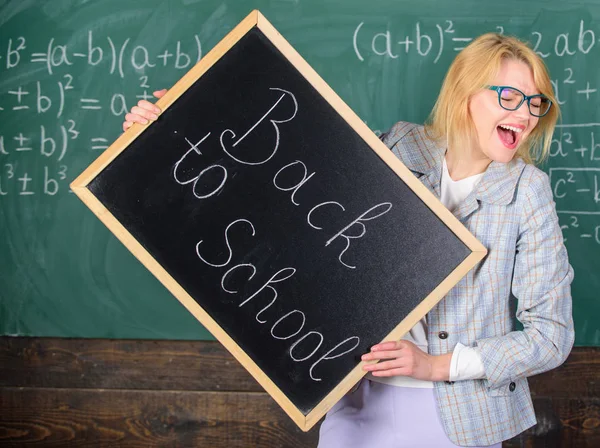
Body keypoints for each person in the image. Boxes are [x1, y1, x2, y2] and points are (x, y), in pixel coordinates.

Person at [122, 33, 574, 448]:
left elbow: (551, 336)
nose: (525, 114)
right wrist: (171, 129)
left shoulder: (526, 192)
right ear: (465, 94)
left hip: (460, 418)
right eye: (510, 97)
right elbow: (281, 173)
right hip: (354, 402)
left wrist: (436, 365)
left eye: (536, 103)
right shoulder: (400, 146)